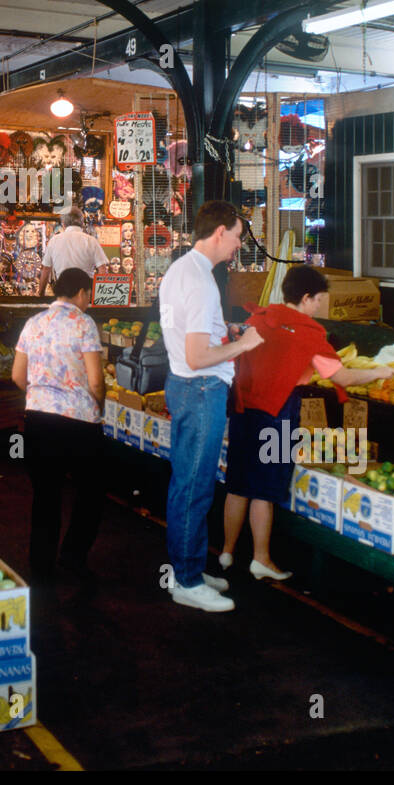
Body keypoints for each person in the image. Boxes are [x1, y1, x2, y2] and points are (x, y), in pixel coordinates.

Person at [220, 264, 394, 579]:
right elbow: (343, 376)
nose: (319, 307)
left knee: (238, 485)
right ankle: (261, 559)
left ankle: (227, 553)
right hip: (278, 414)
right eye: (318, 300)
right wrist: (379, 372)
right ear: (305, 297)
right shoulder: (309, 333)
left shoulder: (256, 319)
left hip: (244, 411)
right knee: (265, 488)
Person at [158, 201, 263, 613]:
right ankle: (185, 580)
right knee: (194, 486)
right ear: (220, 231)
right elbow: (199, 355)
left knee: (189, 482)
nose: (239, 244)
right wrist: (243, 344)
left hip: (184, 385)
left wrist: (226, 330)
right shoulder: (201, 281)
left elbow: (189, 333)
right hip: (200, 387)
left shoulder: (182, 270)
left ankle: (190, 568)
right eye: (237, 234)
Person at [11, 268, 106, 589]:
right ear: (80, 292)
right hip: (79, 422)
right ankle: (74, 554)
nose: (89, 301)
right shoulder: (84, 324)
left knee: (45, 494)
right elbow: (96, 380)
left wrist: (40, 394)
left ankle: (40, 566)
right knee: (91, 492)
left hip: (38, 419)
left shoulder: (33, 323)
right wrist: (99, 404)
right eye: (88, 294)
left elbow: (16, 376)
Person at [36, 207, 108, 296]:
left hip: (64, 291)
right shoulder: (91, 241)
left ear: (63, 224)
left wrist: (41, 293)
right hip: (86, 292)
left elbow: (46, 270)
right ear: (82, 223)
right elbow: (102, 269)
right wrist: (101, 296)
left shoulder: (54, 241)